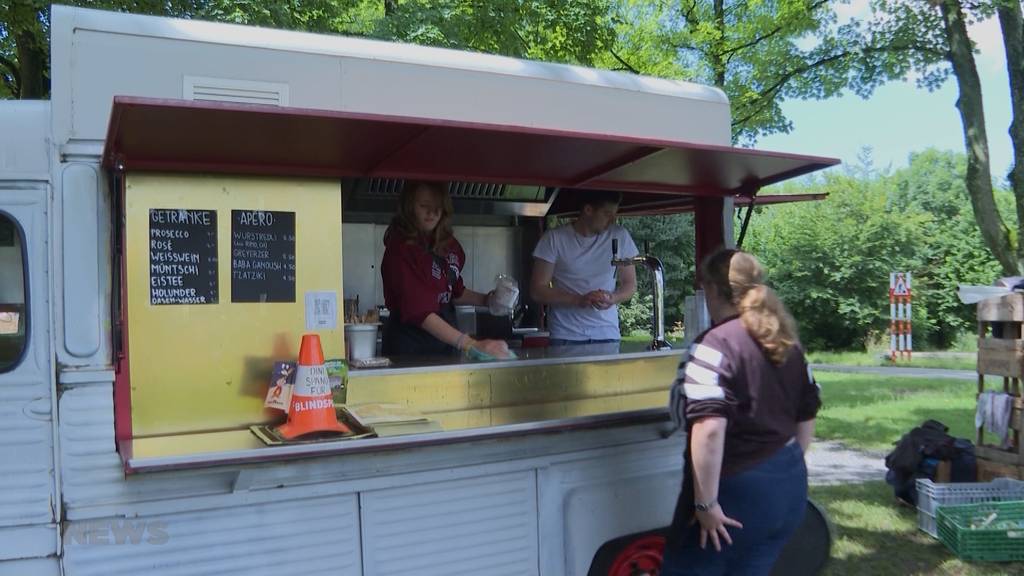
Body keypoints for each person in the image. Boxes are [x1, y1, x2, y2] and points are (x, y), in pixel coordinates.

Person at [660, 248, 821, 576]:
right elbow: (807, 413)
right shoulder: (785, 341)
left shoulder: (714, 345)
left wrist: (705, 503)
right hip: (788, 484)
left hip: (735, 494)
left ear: (712, 290)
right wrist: (785, 469)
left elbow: (708, 427)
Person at [380, 180, 510, 358]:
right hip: (410, 351)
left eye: (438, 207)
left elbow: (453, 292)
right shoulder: (401, 250)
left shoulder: (448, 247)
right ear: (409, 207)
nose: (432, 213)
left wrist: (488, 300)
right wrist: (470, 344)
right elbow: (420, 311)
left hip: (444, 347)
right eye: (424, 206)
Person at [529, 190, 638, 345]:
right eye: (607, 214)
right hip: (565, 335)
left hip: (607, 333)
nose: (613, 220)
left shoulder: (620, 236)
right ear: (588, 210)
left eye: (614, 214)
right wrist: (578, 300)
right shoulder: (554, 238)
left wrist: (612, 298)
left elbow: (630, 284)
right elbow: (537, 290)